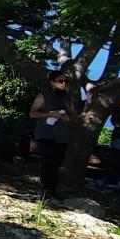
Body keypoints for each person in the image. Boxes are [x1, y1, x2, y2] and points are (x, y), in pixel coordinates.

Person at [28, 66, 80, 197]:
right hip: (45, 133)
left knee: (57, 161)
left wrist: (70, 118)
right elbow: (33, 113)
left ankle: (53, 188)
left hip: (61, 135)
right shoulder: (43, 96)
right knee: (48, 160)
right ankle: (48, 188)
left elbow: (75, 115)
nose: (63, 84)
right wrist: (50, 115)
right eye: (60, 81)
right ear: (52, 82)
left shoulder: (69, 98)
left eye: (65, 81)